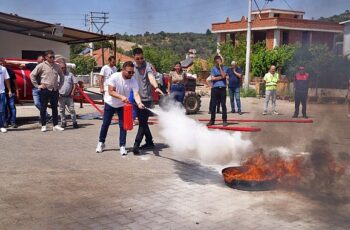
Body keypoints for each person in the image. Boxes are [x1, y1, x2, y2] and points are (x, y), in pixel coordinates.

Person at [96, 61, 144, 156]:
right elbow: (110, 91)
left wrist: (139, 103)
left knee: (123, 126)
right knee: (106, 124)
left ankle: (122, 146)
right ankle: (101, 143)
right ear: (123, 70)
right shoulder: (114, 77)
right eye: (129, 72)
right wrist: (122, 97)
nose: (131, 74)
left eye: (132, 72)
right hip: (110, 103)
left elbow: (136, 94)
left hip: (122, 106)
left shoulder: (133, 80)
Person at [131, 47, 164, 154]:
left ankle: (136, 145)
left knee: (142, 123)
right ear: (134, 57)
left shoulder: (147, 65)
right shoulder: (131, 66)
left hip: (146, 99)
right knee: (142, 122)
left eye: (142, 58)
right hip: (136, 98)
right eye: (138, 58)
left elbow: (151, 77)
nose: (140, 60)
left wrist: (156, 87)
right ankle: (149, 142)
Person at [30, 50, 65, 132]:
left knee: (55, 108)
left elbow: (62, 76)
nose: (52, 58)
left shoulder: (57, 66)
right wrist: (37, 86)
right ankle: (43, 125)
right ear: (46, 57)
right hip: (45, 89)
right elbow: (32, 75)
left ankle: (55, 125)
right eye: (50, 57)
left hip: (54, 89)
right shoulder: (41, 65)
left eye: (53, 57)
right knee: (43, 108)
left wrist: (60, 86)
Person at [21, 55, 51, 122]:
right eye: (42, 59)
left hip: (43, 88)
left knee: (42, 103)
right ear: (37, 60)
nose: (43, 61)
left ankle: (42, 118)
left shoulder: (46, 67)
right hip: (35, 88)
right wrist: (8, 62)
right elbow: (20, 64)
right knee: (37, 103)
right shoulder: (33, 65)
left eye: (44, 59)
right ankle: (46, 114)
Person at [207, 55, 228, 126]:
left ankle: (224, 120)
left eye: (219, 60)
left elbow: (224, 76)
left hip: (222, 88)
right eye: (216, 60)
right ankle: (212, 120)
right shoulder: (212, 69)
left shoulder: (225, 68)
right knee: (213, 105)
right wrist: (220, 77)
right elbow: (212, 78)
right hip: (215, 88)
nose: (217, 61)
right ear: (215, 61)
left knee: (223, 105)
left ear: (221, 61)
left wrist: (220, 67)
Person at [58, 62, 78, 128]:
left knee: (72, 110)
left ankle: (74, 122)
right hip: (61, 96)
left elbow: (75, 84)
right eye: (61, 68)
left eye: (64, 67)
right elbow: (55, 85)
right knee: (61, 110)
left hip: (69, 96)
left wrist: (73, 92)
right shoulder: (58, 75)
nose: (63, 69)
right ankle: (63, 122)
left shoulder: (70, 75)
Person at [0, 59, 12, 133]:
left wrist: (10, 90)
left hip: (1, 92)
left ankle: (1, 126)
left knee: (1, 110)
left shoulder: (3, 69)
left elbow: (7, 80)